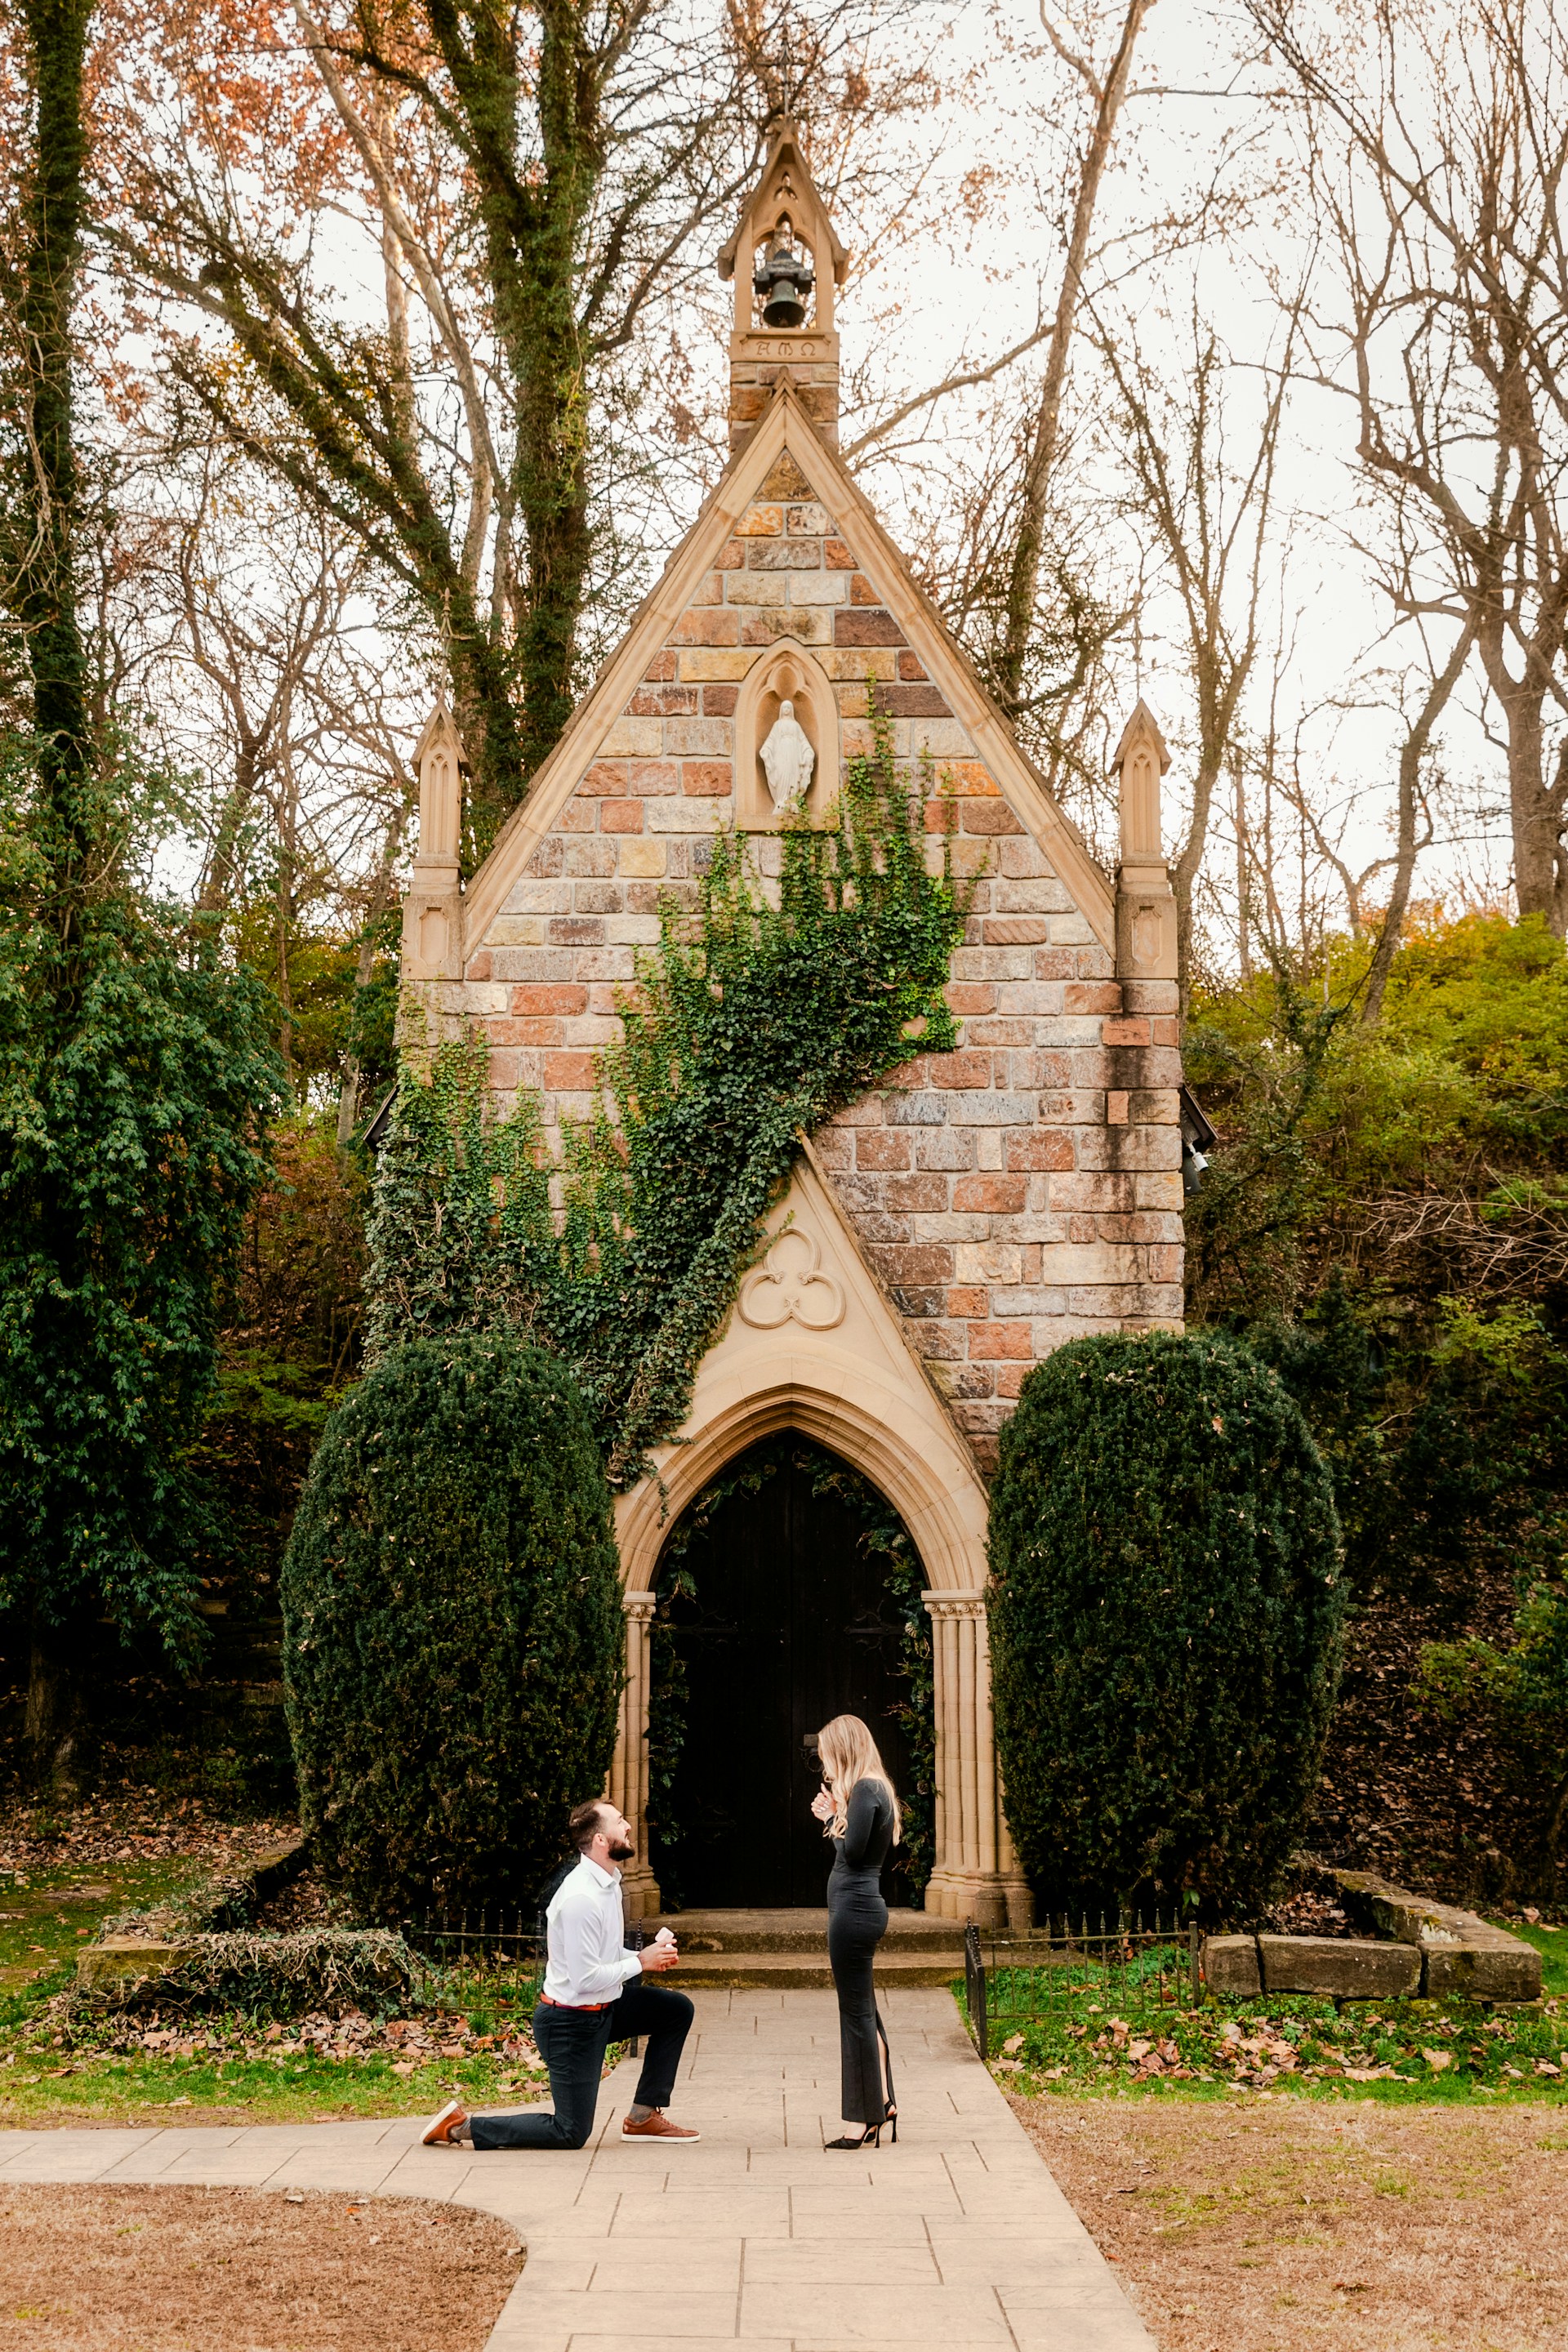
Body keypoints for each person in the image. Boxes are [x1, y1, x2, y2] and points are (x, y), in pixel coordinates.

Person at [421, 1798, 700, 2149]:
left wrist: (647, 1956)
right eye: (619, 1822)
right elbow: (584, 1979)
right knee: (570, 2132)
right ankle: (462, 2126)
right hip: (570, 2025)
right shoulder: (581, 1898)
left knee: (675, 2010)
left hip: (605, 2009)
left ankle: (643, 2116)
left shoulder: (608, 1882)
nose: (628, 1826)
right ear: (600, 1840)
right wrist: (640, 1963)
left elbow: (604, 1956)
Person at [811, 1713, 899, 2149]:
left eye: (828, 1753)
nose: (824, 1764)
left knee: (855, 2015)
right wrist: (836, 1813)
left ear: (843, 1750)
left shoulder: (866, 1788)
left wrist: (832, 1817)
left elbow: (855, 1852)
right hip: (859, 1910)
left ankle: (861, 2120)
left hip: (855, 1912)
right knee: (863, 2007)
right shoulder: (872, 1788)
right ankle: (882, 2101)